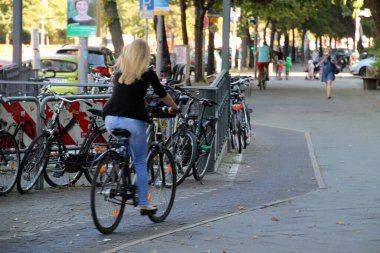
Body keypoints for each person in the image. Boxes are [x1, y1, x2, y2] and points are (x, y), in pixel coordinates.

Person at [102, 39, 178, 213]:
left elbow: (128, 95)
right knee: (140, 161)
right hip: (133, 121)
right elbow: (162, 95)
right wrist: (174, 107)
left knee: (125, 145)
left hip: (110, 118)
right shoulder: (147, 73)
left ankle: (119, 165)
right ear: (144, 55)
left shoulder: (119, 72)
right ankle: (144, 203)